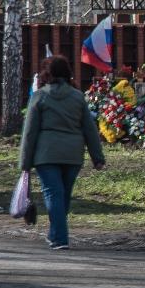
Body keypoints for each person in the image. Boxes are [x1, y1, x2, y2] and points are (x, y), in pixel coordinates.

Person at [19, 55, 106, 250]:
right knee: (63, 196)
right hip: (72, 155)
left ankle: (59, 238)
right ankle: (56, 233)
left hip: (46, 154)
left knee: (53, 195)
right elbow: (89, 129)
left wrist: (24, 163)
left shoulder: (39, 97)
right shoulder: (78, 97)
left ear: (45, 74)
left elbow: (30, 132)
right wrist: (97, 158)